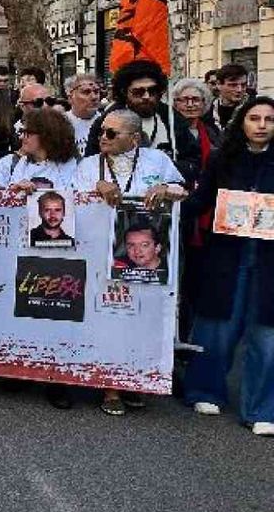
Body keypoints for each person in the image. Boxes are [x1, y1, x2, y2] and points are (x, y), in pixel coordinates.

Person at [182, 97, 274, 436]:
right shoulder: (223, 159)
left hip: (268, 260)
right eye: (254, 118)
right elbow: (200, 199)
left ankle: (263, 408)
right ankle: (204, 389)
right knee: (216, 325)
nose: (262, 125)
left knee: (267, 336)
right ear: (242, 123)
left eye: (269, 119)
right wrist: (171, 206)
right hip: (225, 254)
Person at [85, 60, 201, 182]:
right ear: (124, 92)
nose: (146, 96)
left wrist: (168, 171)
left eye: (152, 91)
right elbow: (90, 164)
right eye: (138, 92)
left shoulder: (172, 120)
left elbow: (192, 161)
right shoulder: (107, 121)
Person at [0, 108, 79, 192]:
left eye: (27, 133)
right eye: (21, 132)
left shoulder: (75, 166)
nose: (21, 137)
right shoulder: (9, 163)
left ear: (46, 135)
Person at [63, 73, 104, 154]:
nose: (94, 97)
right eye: (86, 92)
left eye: (96, 91)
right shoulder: (60, 123)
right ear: (70, 97)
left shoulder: (108, 122)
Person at [207, 63, 250, 136]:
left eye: (243, 85)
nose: (239, 90)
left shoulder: (254, 108)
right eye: (233, 85)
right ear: (218, 84)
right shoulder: (207, 110)